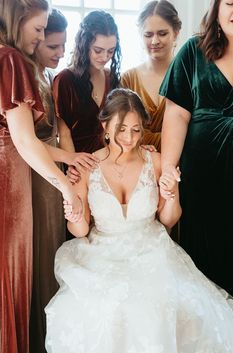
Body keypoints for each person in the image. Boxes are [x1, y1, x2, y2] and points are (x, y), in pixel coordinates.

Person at [45, 88, 233, 353]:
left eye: (136, 130)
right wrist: (74, 214)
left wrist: (170, 193)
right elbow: (79, 231)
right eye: (122, 129)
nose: (130, 138)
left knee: (163, 304)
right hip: (102, 253)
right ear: (105, 126)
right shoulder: (86, 167)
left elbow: (169, 220)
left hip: (152, 249)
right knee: (100, 309)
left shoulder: (156, 161)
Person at [0, 1, 95, 353]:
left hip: (19, 170)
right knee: (13, 273)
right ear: (17, 18)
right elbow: (24, 139)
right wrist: (66, 189)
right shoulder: (10, 59)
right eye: (39, 30)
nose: (41, 38)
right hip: (11, 180)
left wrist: (68, 157)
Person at [159, 0, 233, 297]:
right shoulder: (193, 50)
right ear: (216, 7)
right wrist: (168, 168)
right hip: (202, 172)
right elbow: (176, 115)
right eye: (229, 3)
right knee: (204, 254)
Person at [29, 9, 74, 353]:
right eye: (53, 46)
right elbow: (33, 139)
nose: (60, 54)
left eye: (63, 46)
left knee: (55, 245)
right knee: (44, 249)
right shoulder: (24, 73)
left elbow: (58, 126)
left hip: (53, 170)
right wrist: (67, 161)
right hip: (36, 173)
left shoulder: (44, 74)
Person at [53, 10, 121, 156]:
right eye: (98, 50)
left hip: (110, 161)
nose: (105, 57)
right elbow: (64, 135)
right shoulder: (65, 80)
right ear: (84, 45)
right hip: (78, 163)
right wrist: (74, 167)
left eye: (111, 51)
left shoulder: (112, 78)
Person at [121, 0, 181, 152]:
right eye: (148, 35)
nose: (155, 41)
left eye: (162, 33)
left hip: (182, 164)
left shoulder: (189, 75)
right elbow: (120, 128)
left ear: (176, 33)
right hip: (137, 163)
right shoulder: (127, 79)